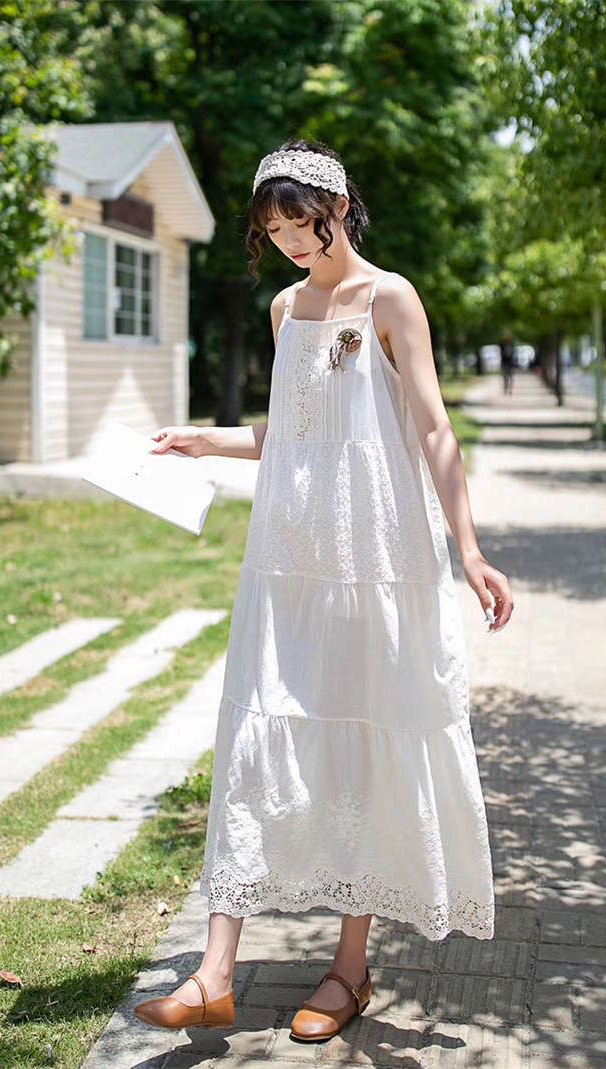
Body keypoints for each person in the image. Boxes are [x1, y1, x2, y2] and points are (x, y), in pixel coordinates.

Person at [134, 139, 514, 1042]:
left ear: (338, 208)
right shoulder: (283, 309)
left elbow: (432, 427)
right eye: (274, 233)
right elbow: (293, 432)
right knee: (257, 732)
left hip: (377, 558)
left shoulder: (391, 298)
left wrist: (468, 549)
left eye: (301, 226)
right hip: (288, 561)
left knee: (367, 735)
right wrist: (205, 439)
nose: (293, 245)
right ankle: (213, 974)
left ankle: (349, 968)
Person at [500, 330, 515, 395]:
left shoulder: (511, 344)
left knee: (510, 377)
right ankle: (506, 389)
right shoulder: (502, 344)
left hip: (510, 363)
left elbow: (513, 353)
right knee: (505, 377)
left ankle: (509, 389)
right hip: (505, 363)